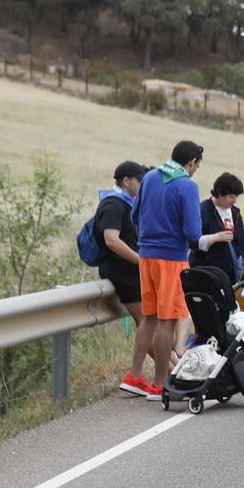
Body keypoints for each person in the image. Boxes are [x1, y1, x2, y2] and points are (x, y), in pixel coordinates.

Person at [134, 141, 231, 392]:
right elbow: (192, 233)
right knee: (167, 321)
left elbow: (134, 216)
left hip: (145, 255)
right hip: (172, 257)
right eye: (196, 166)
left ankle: (134, 377)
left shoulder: (150, 177)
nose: (194, 171)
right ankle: (158, 384)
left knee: (149, 317)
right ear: (191, 163)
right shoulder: (187, 185)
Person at [95, 160, 156, 397]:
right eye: (139, 181)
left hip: (128, 272)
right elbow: (112, 239)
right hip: (123, 273)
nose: (141, 186)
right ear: (127, 180)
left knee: (149, 322)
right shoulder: (114, 204)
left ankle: (150, 374)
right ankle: (146, 375)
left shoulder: (124, 203)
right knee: (147, 322)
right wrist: (140, 260)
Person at [195, 172, 244, 283]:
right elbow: (193, 241)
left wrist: (242, 260)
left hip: (231, 274)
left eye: (236, 197)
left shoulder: (235, 213)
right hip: (207, 273)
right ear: (219, 193)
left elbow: (241, 241)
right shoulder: (202, 210)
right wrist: (215, 237)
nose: (234, 201)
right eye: (231, 197)